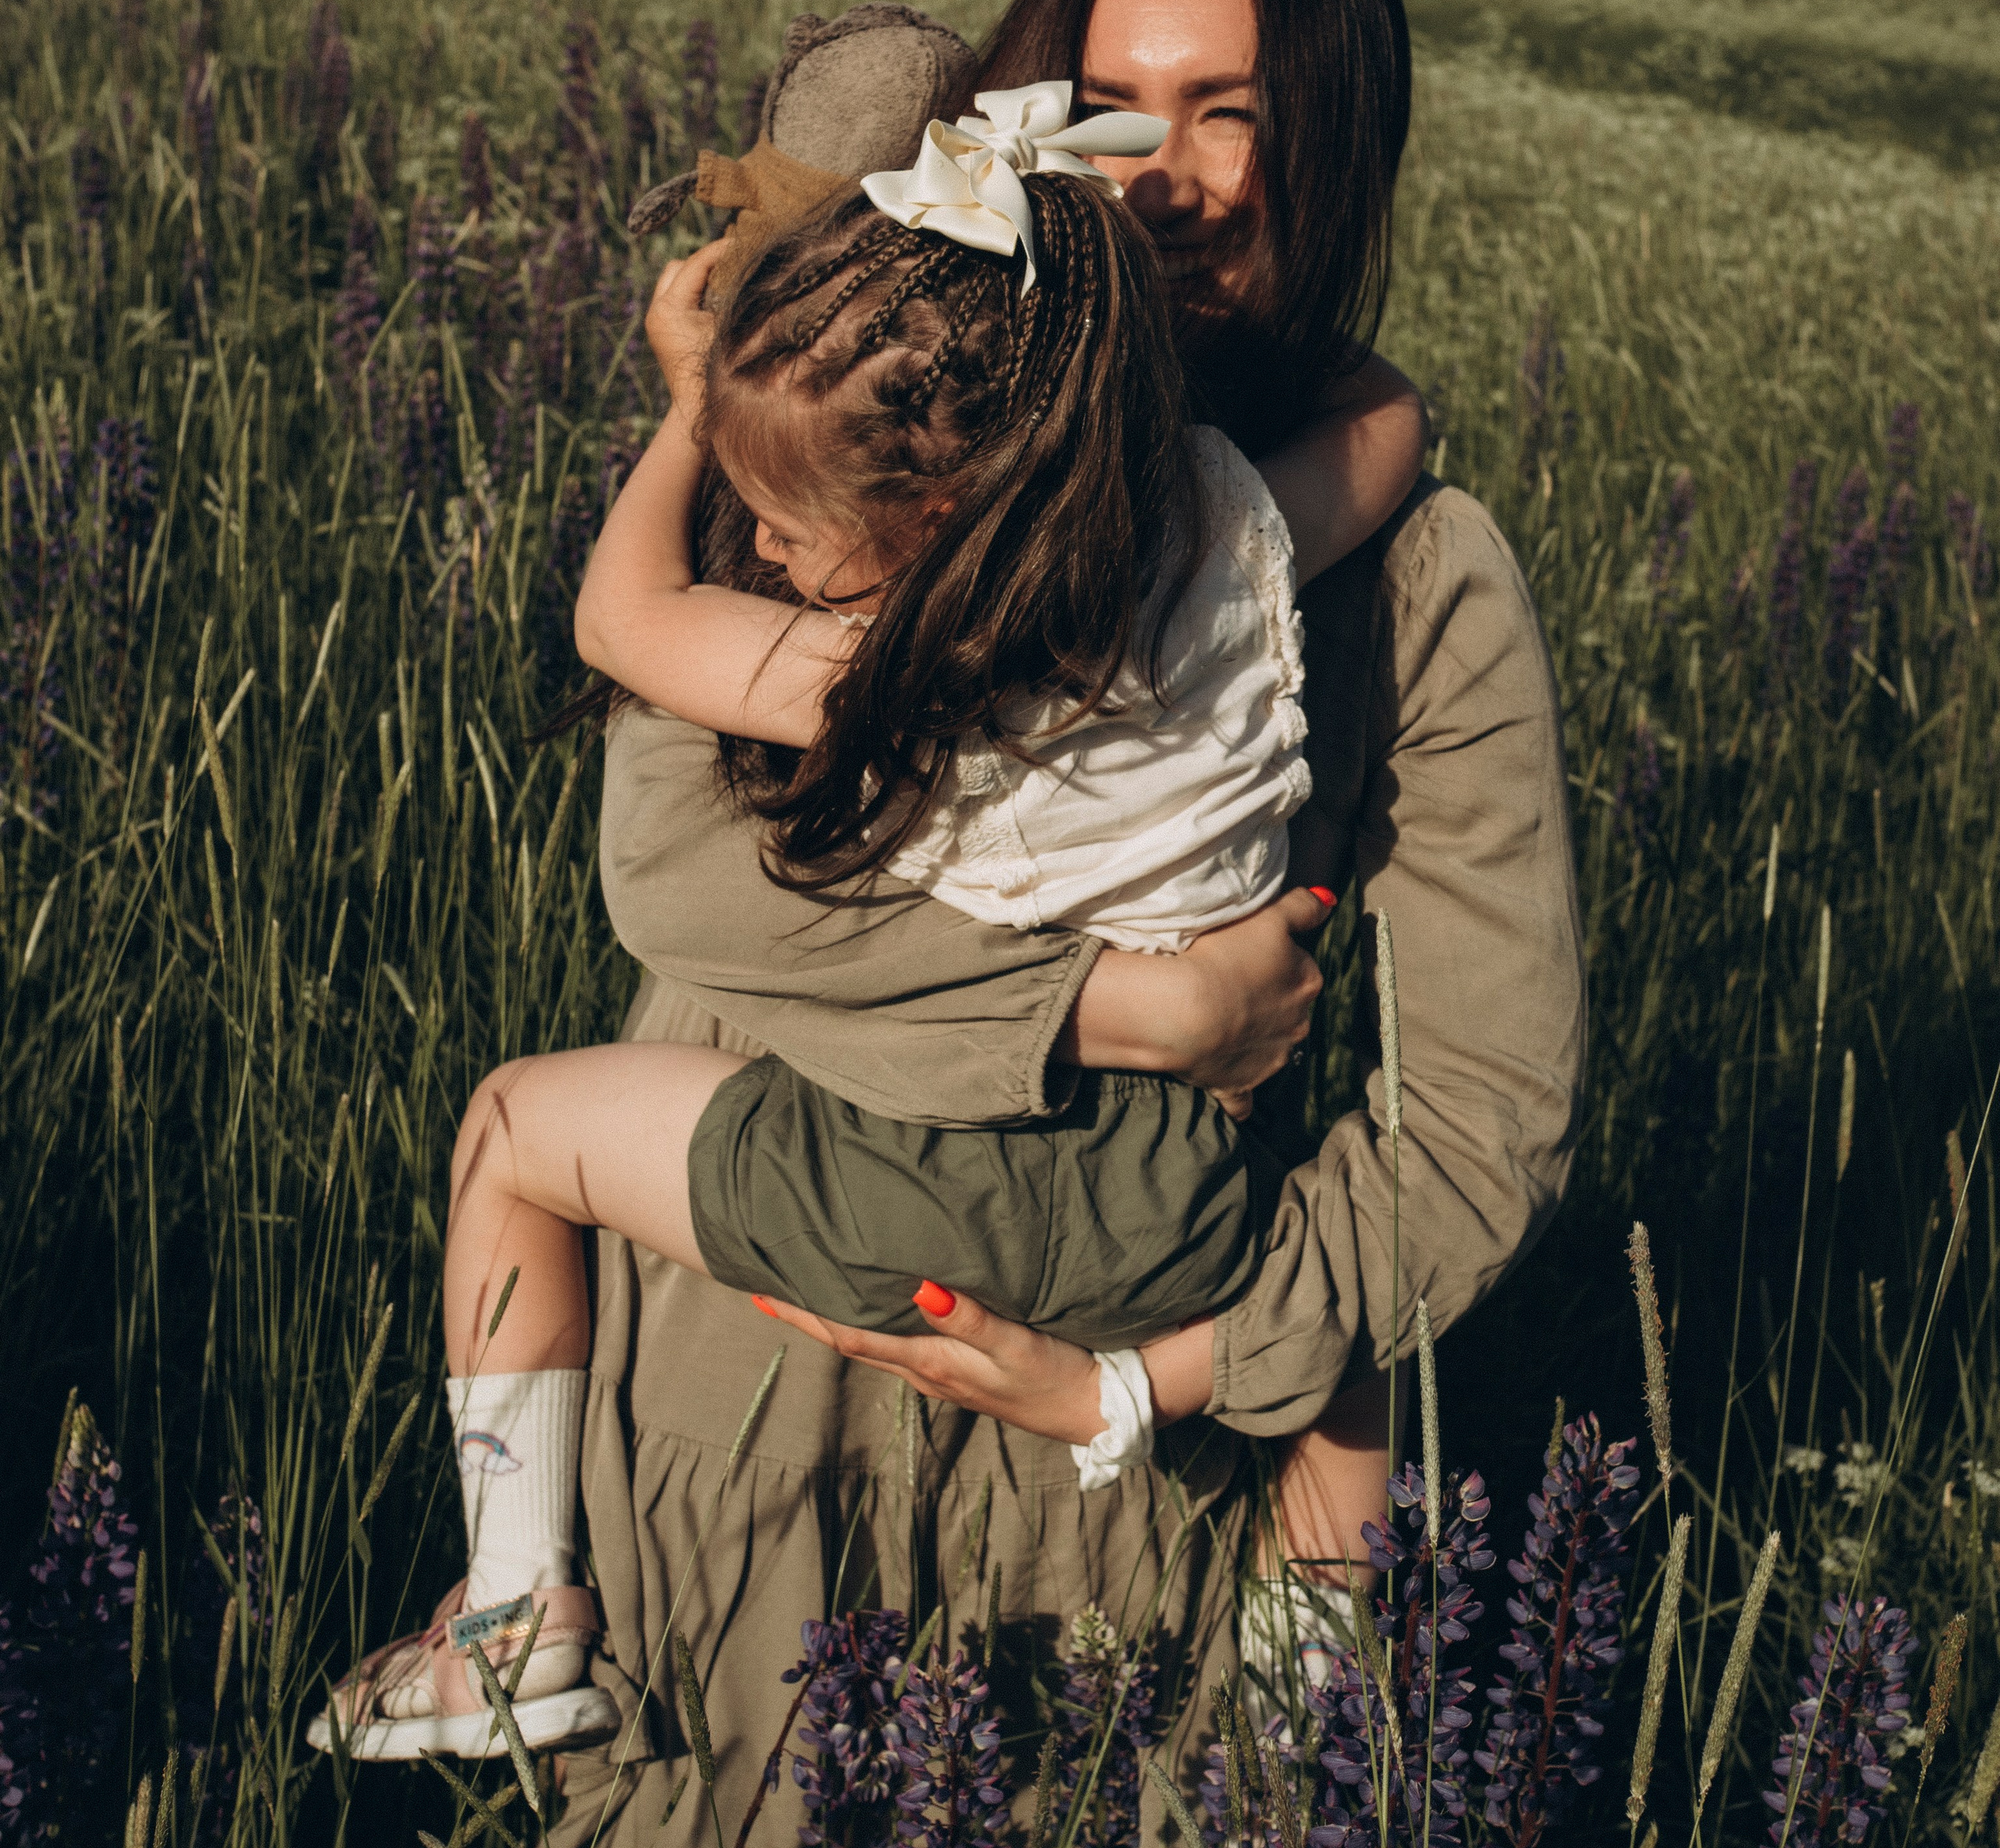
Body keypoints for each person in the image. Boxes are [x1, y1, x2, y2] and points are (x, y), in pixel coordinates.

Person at [554, 0, 1584, 1848]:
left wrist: (1162, 1375)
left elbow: (1482, 1120)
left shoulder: (1415, 567)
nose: (1184, 177)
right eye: (1126, 105)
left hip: (1120, 1464)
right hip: (758, 1359)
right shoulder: (867, 433)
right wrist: (1134, 1000)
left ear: (1342, 145)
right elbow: (676, 871)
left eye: (1241, 113)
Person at [309, 95, 1430, 1761]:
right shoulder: (1221, 544)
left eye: (793, 530)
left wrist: (695, 408)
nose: (764, 547)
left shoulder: (893, 668)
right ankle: (1298, 1707)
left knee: (510, 1136)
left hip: (900, 1182)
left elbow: (619, 616)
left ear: (932, 537)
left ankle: (512, 1618)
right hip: (1170, 1202)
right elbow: (1389, 420)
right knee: (1346, 1351)